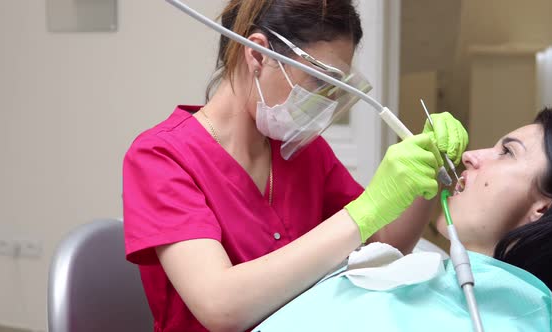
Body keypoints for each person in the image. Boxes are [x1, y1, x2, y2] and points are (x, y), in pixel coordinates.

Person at [122, 1, 467, 331]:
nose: (326, 102)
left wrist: (431, 173)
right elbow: (220, 305)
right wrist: (366, 210)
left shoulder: (303, 152)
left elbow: (386, 246)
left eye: (337, 88)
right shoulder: (161, 157)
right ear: (257, 53)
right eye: (320, 82)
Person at [253, 108, 552, 332]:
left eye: (506, 152)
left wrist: (368, 210)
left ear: (542, 209)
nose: (471, 155)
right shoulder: (424, 268)